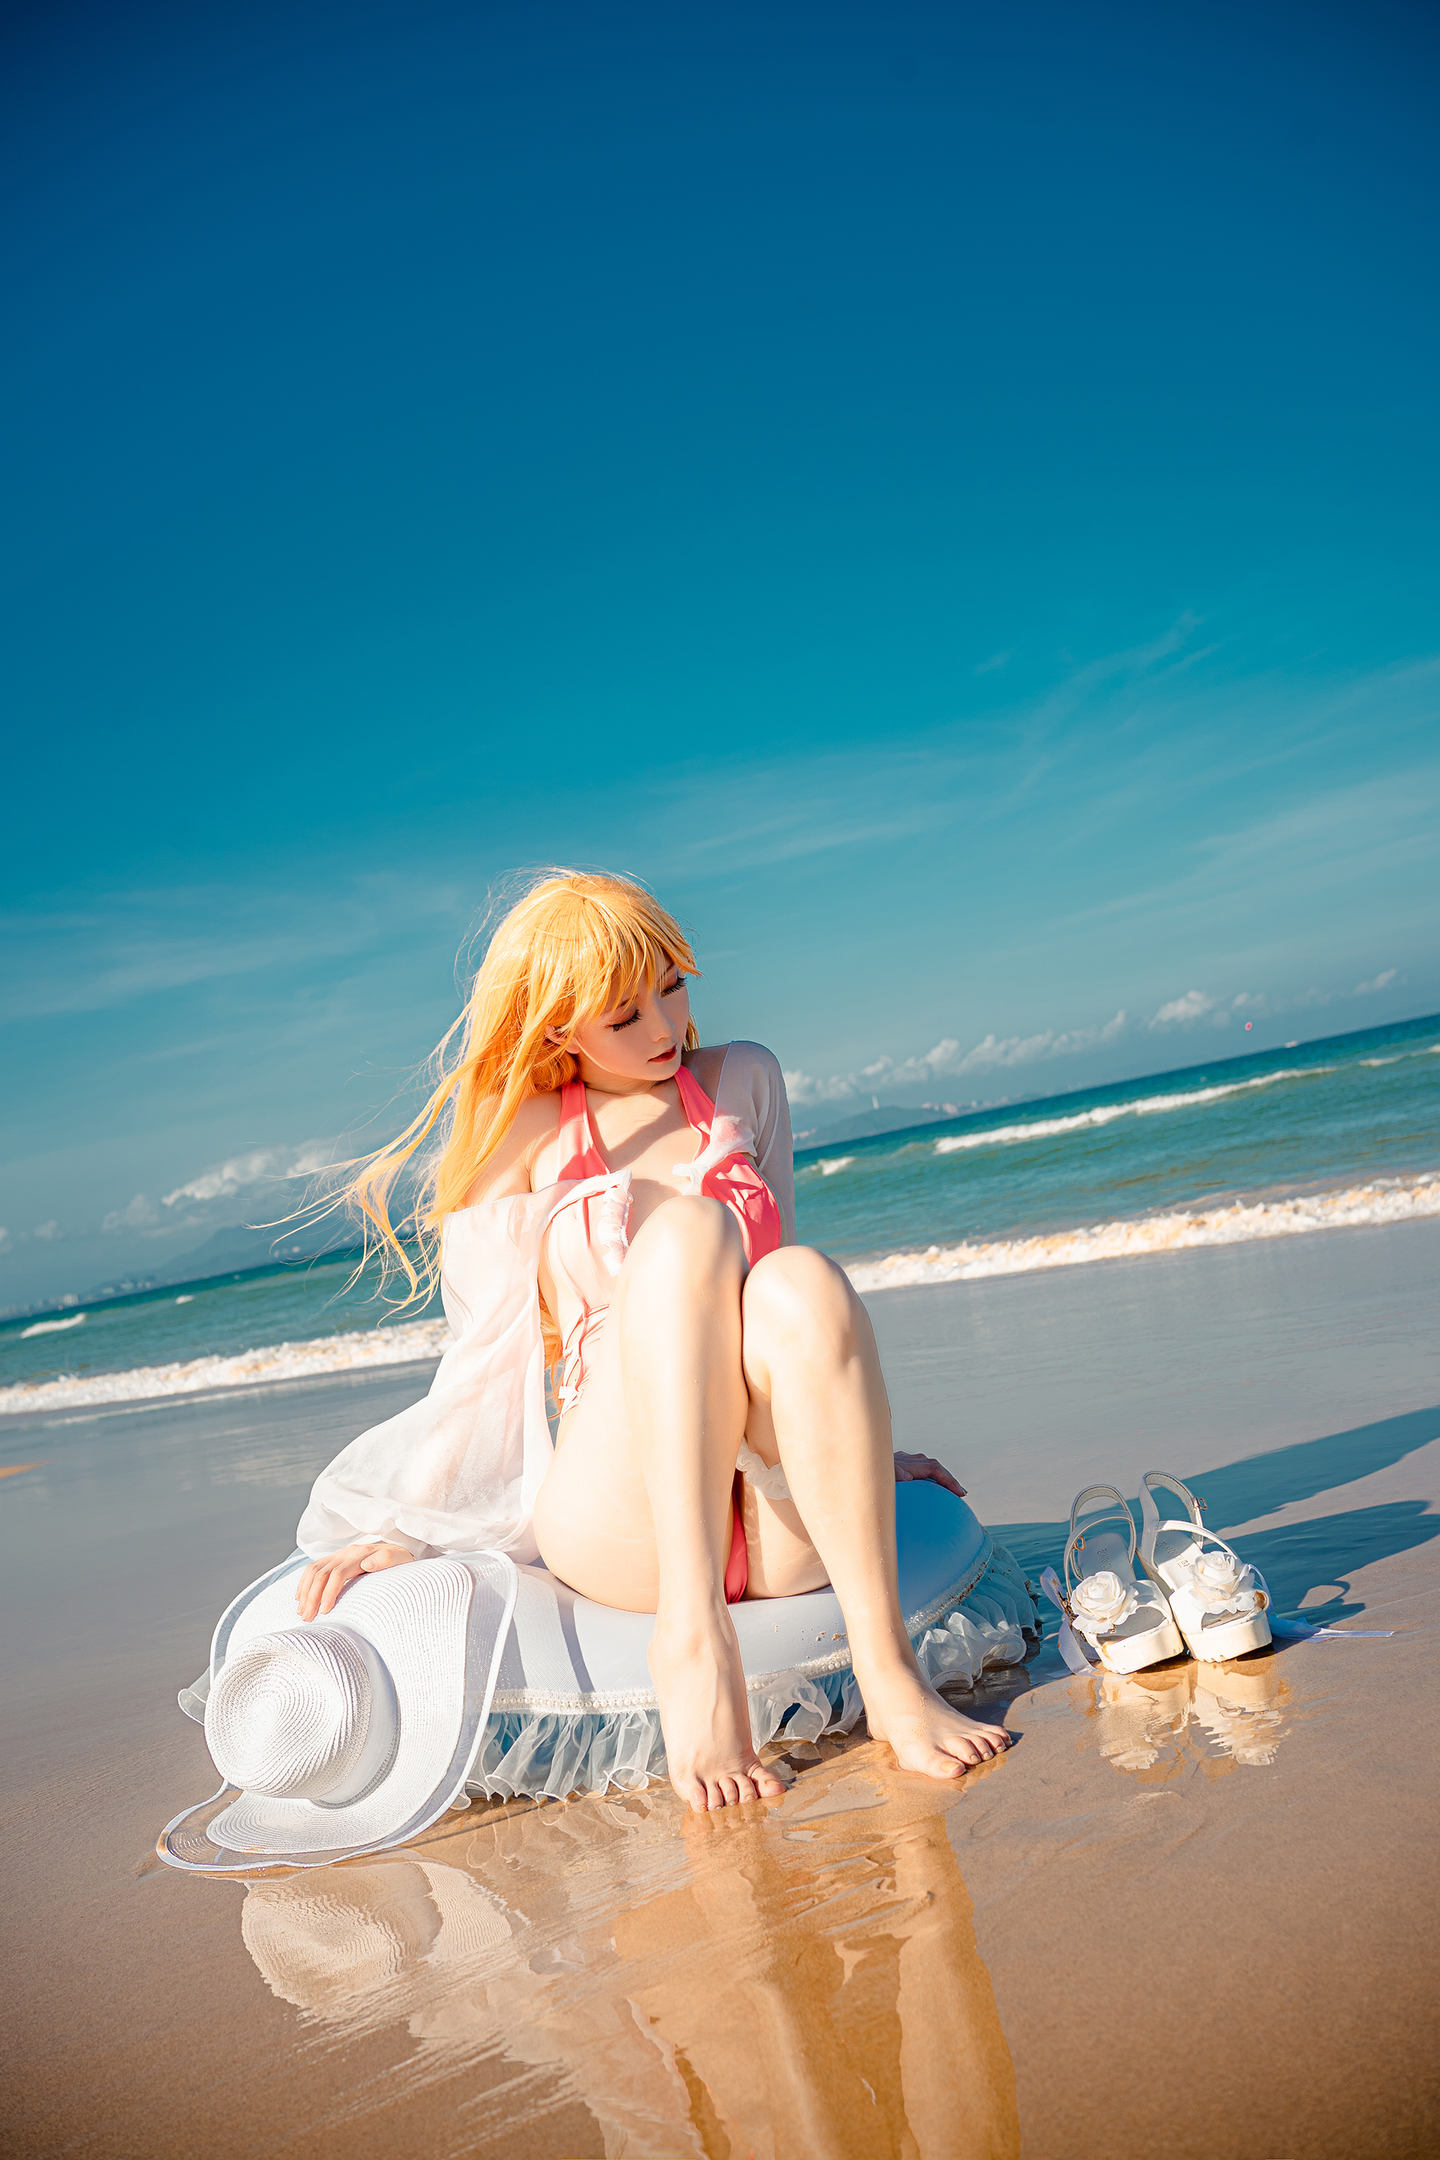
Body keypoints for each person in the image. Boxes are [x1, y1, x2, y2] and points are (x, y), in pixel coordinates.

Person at [292, 870, 1012, 1812]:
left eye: (671, 987)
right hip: (628, 1525)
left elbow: (781, 1311)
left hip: (775, 1516)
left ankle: (890, 1674)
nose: (666, 1027)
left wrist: (864, 1446)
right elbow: (485, 1358)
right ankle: (693, 1642)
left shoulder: (744, 1078)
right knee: (691, 1230)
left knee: (798, 1275)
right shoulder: (523, 1135)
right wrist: (414, 1526)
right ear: (559, 1028)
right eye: (624, 1015)